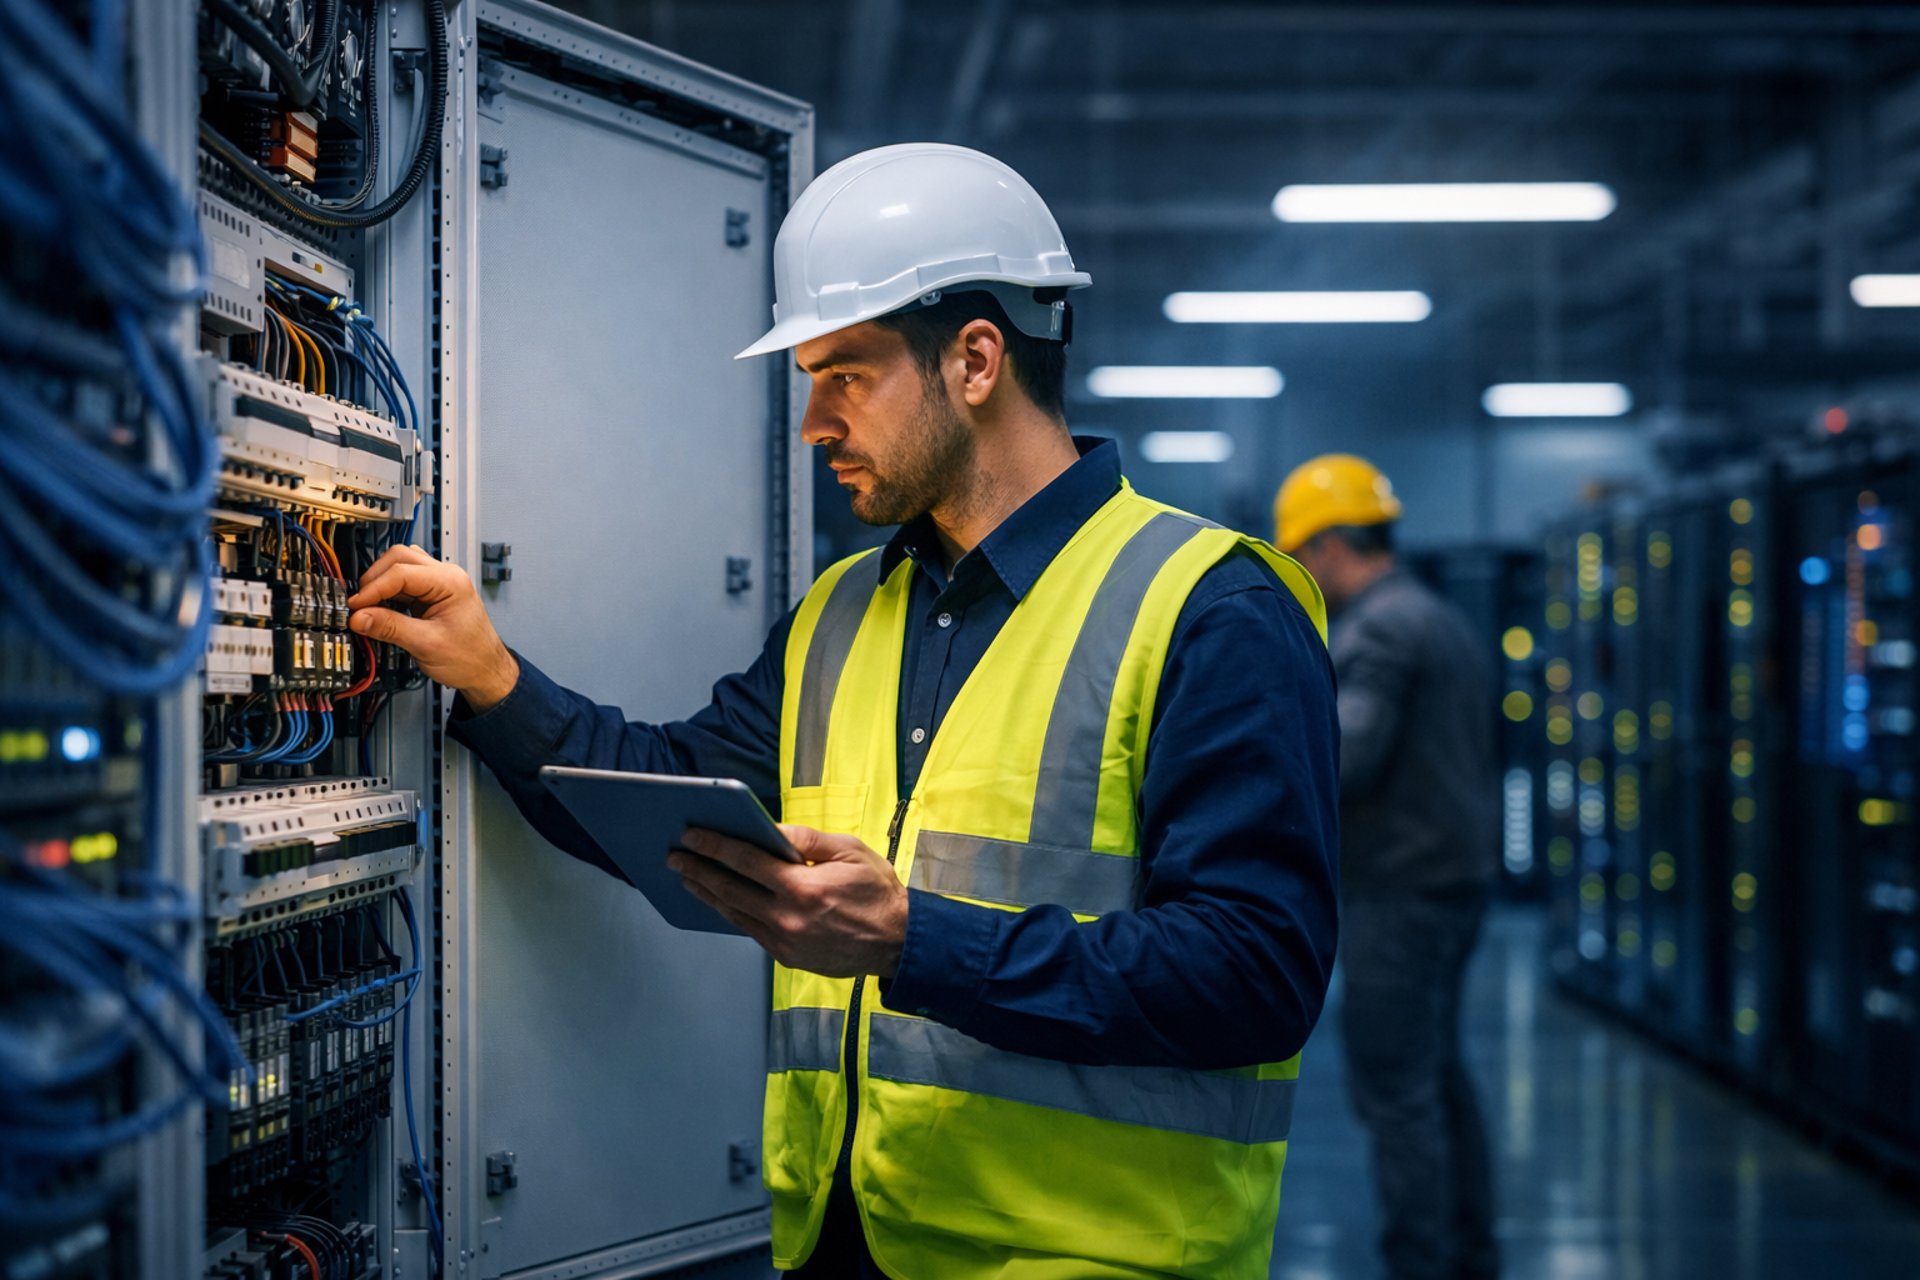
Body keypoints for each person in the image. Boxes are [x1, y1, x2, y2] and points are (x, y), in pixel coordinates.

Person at [348, 143, 1340, 1280]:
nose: (814, 421)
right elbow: (670, 801)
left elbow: (1258, 973)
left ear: (975, 360)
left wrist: (918, 939)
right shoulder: (842, 611)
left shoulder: (1213, 607)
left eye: (846, 375)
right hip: (844, 1245)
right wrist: (492, 677)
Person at [1274, 454, 1500, 1280]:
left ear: (1332, 545)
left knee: (1397, 1092)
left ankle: (1423, 1263)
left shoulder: (1381, 629)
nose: (1304, 576)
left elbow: (1340, 758)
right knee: (1437, 1077)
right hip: (1452, 883)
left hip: (1402, 893)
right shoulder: (1435, 616)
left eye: (1300, 557)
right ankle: (1471, 1254)